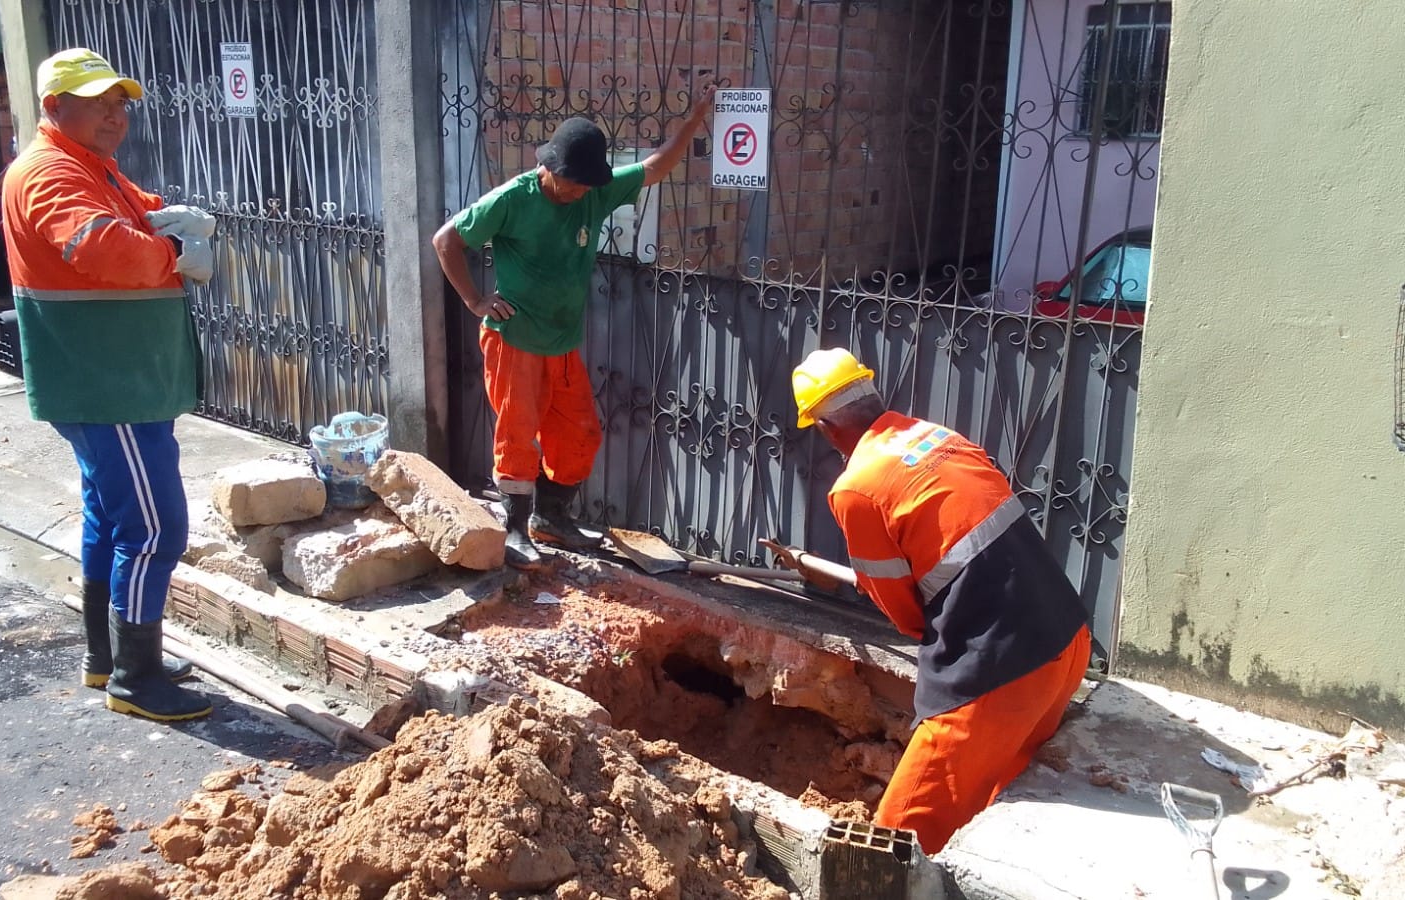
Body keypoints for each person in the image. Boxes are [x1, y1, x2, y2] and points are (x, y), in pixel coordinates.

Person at [771, 348, 1092, 854]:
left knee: (894, 840)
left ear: (827, 429)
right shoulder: (940, 438)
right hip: (1067, 642)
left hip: (1002, 673)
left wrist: (895, 601)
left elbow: (903, 612)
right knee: (996, 803)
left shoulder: (857, 488)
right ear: (873, 396)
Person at [1, 47, 218, 722]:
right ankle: (136, 676)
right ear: (53, 107)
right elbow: (103, 247)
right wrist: (179, 255)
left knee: (108, 518)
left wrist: (166, 215)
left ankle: (110, 656)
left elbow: (129, 212)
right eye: (97, 102)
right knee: (156, 528)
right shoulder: (48, 173)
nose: (113, 115)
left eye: (120, 102)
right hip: (109, 384)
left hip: (117, 382)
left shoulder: (86, 168)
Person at [432, 84, 717, 569]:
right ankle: (517, 530)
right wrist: (476, 300)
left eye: (588, 184)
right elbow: (446, 240)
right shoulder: (512, 200)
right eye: (573, 183)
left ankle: (552, 517)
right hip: (515, 340)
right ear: (550, 169)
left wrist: (694, 121)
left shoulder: (592, 193)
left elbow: (653, 169)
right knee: (517, 435)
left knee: (580, 434)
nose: (581, 191)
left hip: (563, 345)